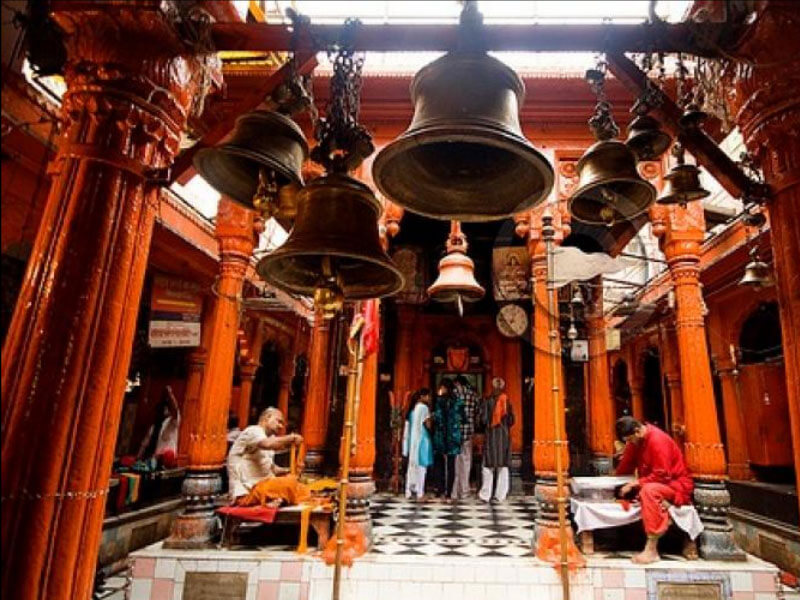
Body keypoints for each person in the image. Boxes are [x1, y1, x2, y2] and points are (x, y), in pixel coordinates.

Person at [615, 416, 694, 564]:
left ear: (637, 431)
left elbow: (662, 475)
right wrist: (615, 484)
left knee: (648, 491)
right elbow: (626, 465)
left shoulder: (657, 440)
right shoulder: (635, 441)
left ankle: (651, 548)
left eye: (630, 439)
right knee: (641, 490)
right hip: (655, 482)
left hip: (673, 485)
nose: (629, 443)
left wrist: (635, 484)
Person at [227, 407, 302, 504]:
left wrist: (291, 470)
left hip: (263, 487)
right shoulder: (253, 430)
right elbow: (267, 444)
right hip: (248, 491)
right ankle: (276, 499)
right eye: (278, 421)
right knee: (290, 484)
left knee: (300, 487)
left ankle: (276, 499)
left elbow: (272, 469)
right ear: (267, 418)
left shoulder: (269, 437)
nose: (280, 426)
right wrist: (291, 438)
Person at [478, 377, 515, 503]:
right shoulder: (507, 401)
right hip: (503, 437)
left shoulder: (487, 401)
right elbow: (511, 421)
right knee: (503, 466)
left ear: (492, 387)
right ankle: (500, 495)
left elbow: (482, 420)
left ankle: (485, 495)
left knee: (488, 466)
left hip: (490, 436)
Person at [431, 378, 464, 501]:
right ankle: (449, 493)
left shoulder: (439, 401)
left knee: (439, 464)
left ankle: (440, 490)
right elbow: (463, 417)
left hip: (440, 436)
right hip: (453, 436)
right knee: (451, 466)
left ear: (444, 387)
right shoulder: (458, 401)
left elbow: (438, 418)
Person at [137, 385, 180, 468]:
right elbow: (144, 445)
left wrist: (170, 395)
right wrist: (137, 459)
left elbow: (175, 410)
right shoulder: (154, 427)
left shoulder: (171, 422)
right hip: (154, 462)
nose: (163, 410)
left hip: (168, 463)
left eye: (165, 408)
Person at [402, 389, 433, 500]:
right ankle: (420, 492)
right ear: (422, 397)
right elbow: (428, 425)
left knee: (412, 466)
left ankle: (409, 490)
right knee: (422, 467)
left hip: (412, 441)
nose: (429, 399)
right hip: (422, 439)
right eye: (427, 396)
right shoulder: (424, 408)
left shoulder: (411, 410)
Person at [452, 375, 478, 500]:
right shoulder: (473, 395)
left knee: (456, 463)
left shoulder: (454, 394)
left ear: (458, 383)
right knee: (467, 462)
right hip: (468, 432)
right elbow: (477, 411)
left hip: (456, 433)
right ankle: (465, 491)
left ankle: (455, 491)